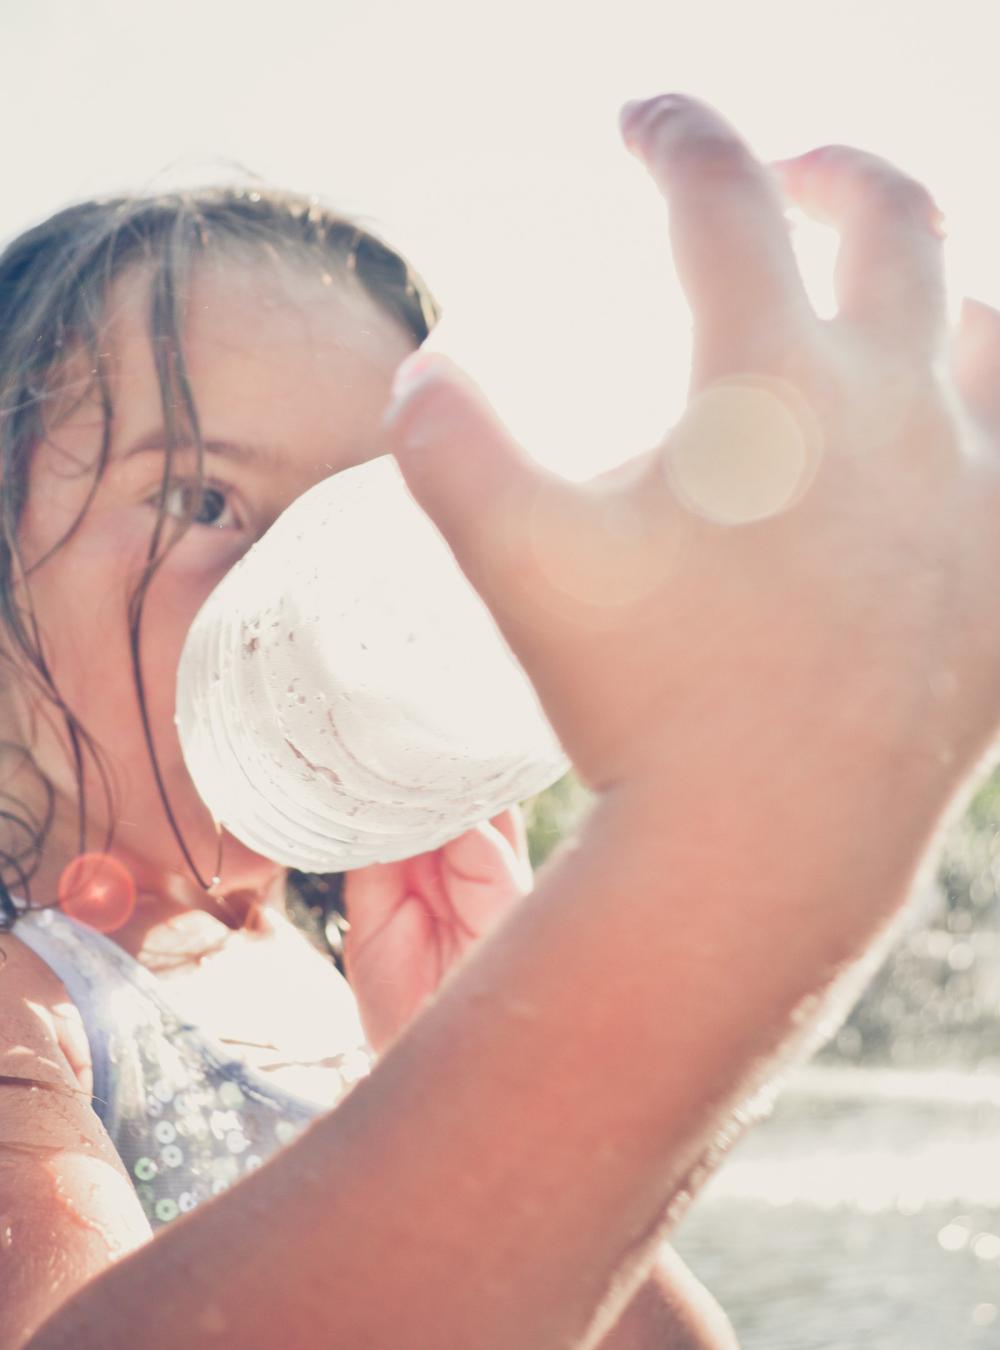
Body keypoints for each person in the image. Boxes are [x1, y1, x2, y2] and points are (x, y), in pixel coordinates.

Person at [2, 90, 1000, 1349]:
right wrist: (739, 870)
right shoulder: (29, 1012)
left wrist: (480, 1046)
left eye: (376, 516)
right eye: (202, 496)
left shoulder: (344, 991)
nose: (307, 593)